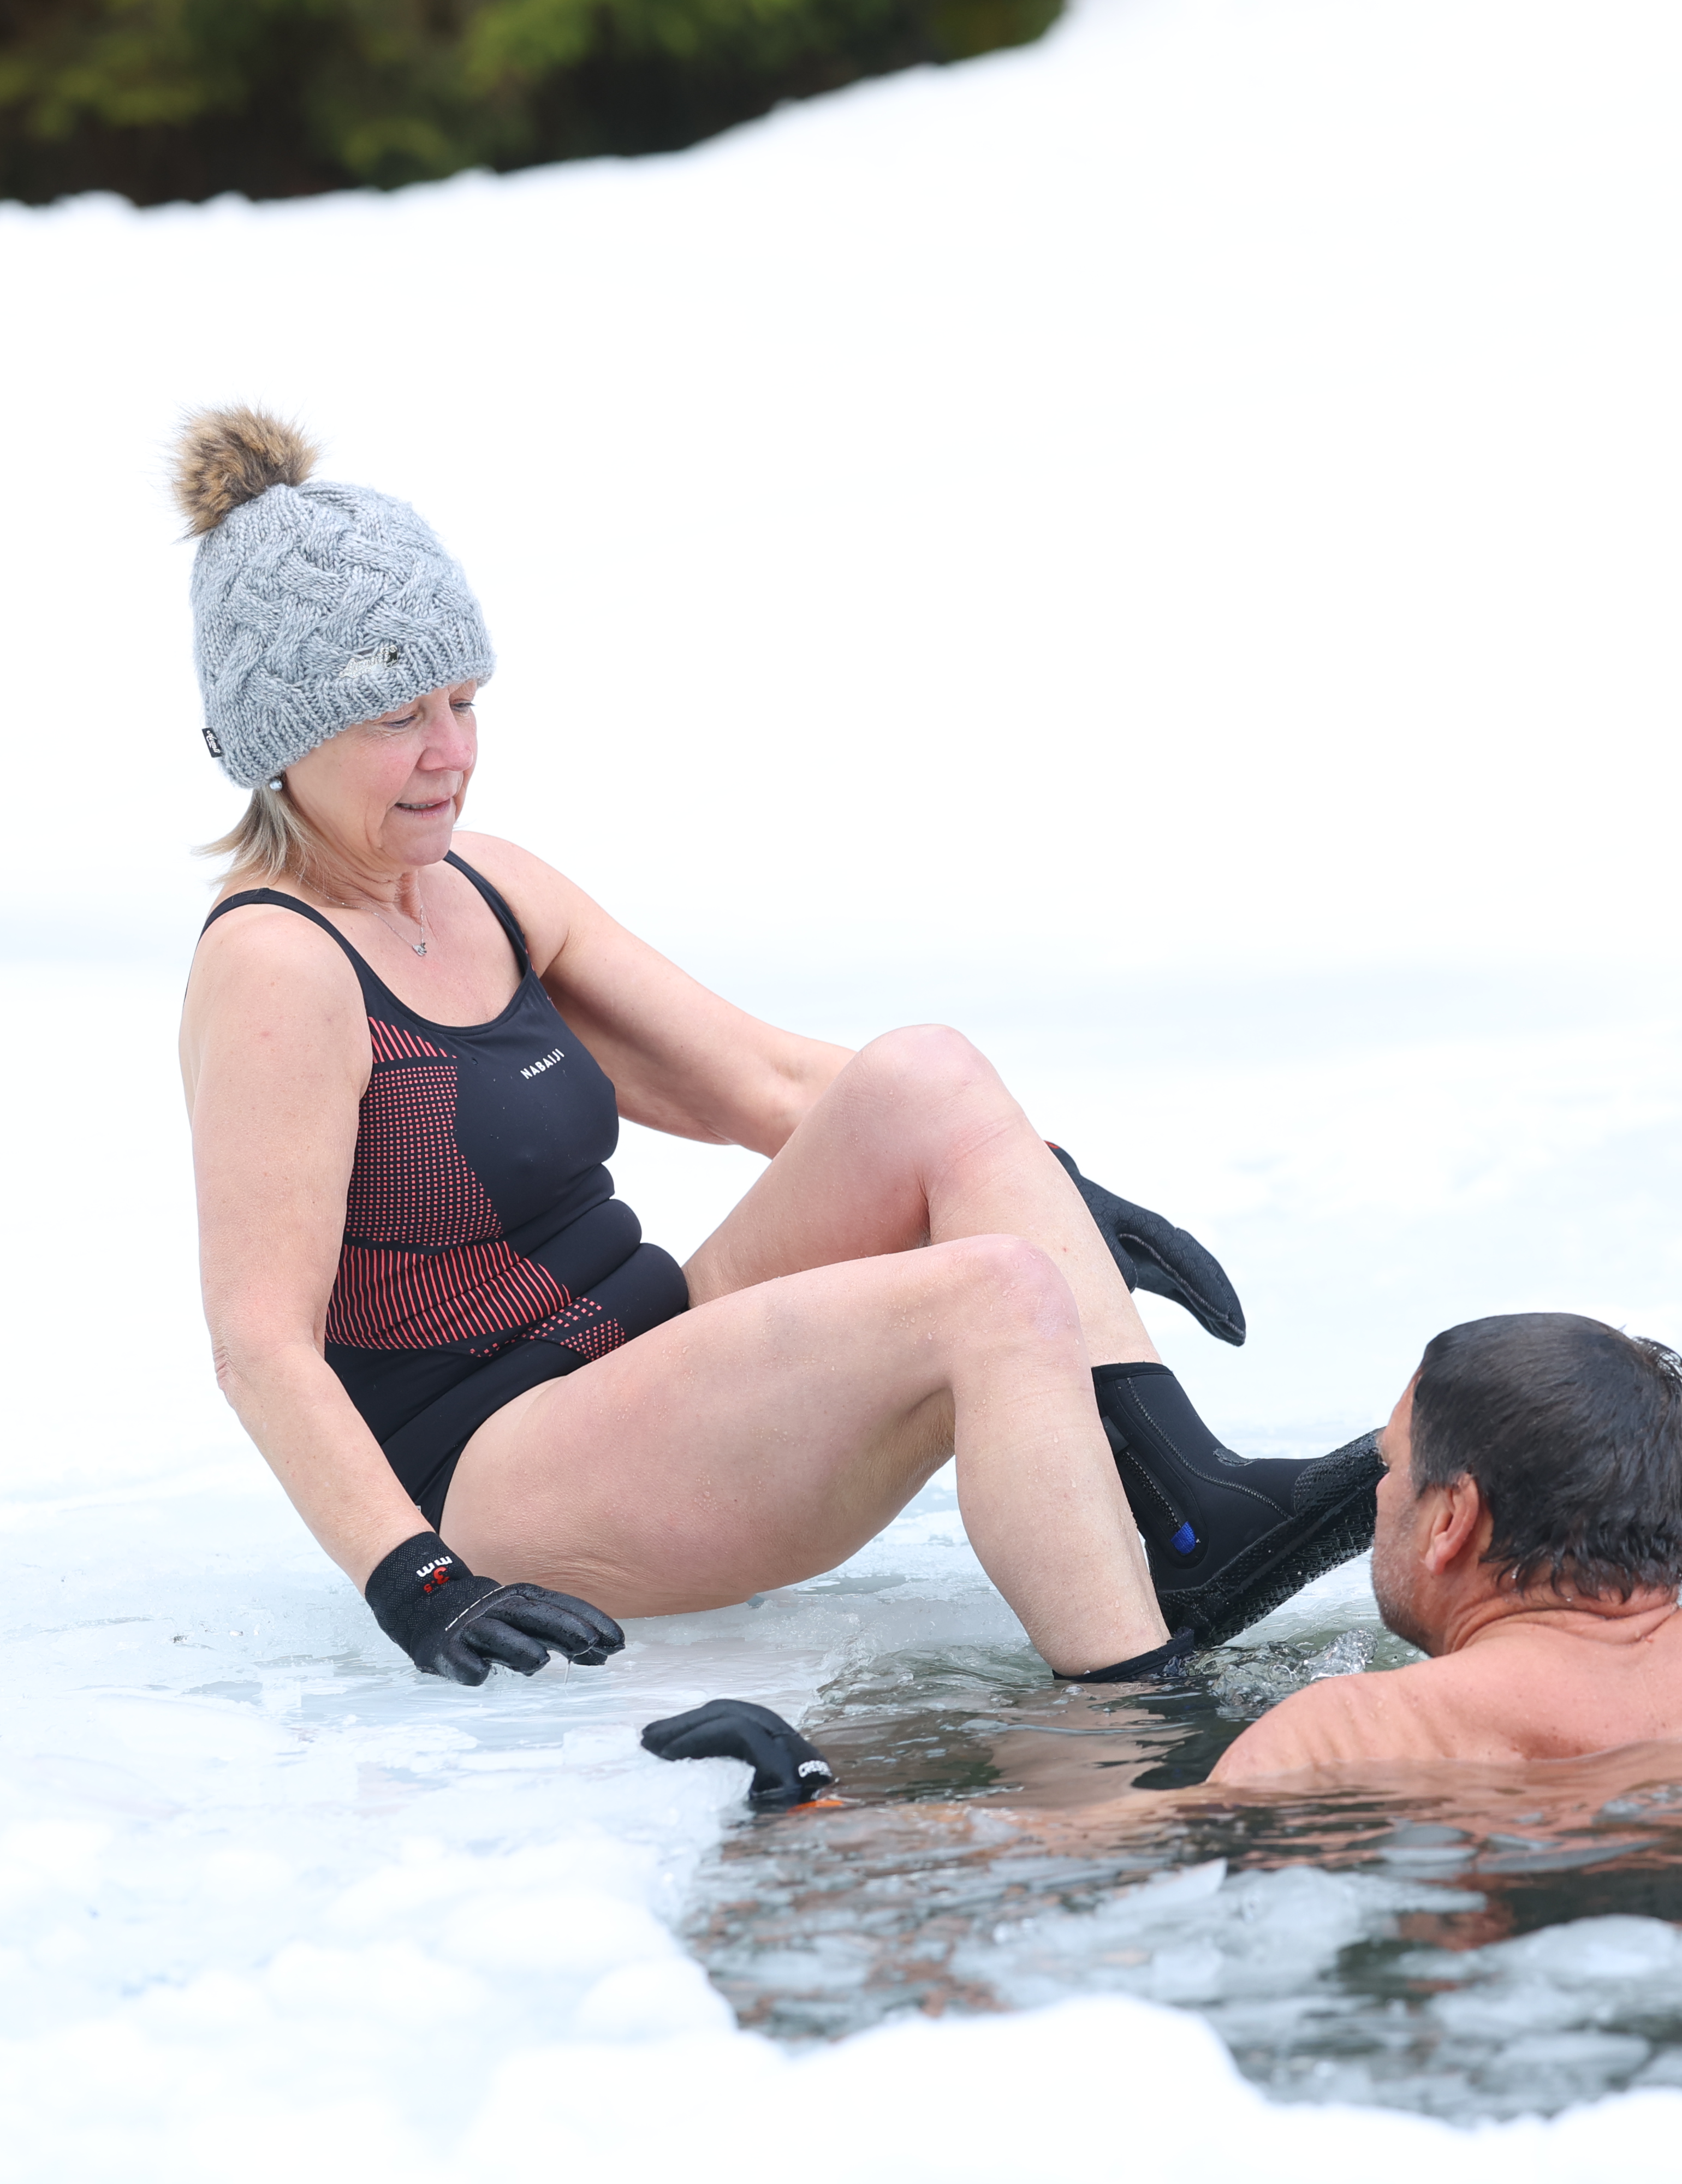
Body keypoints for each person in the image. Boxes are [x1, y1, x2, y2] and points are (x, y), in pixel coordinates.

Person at [171, 407, 1375, 1689]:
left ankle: (1191, 1508)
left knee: (928, 1074)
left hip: (654, 1358)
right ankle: (1135, 1726)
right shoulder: (278, 963)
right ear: (283, 738)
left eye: (465, 701)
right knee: (995, 1293)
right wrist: (416, 1581)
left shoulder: (491, 885)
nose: (452, 753)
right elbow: (261, 1340)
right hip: (502, 1470)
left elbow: (765, 1081)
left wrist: (1040, 1175)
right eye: (399, 717)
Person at [643, 1312, 1682, 1802]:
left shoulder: (1354, 1729)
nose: (1382, 1501)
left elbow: (1093, 1854)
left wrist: (810, 1796)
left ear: (1454, 1520)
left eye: (1393, 1475)